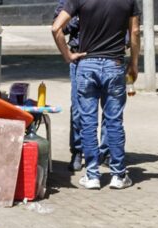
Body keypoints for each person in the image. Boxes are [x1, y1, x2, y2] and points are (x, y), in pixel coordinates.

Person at [53, 0, 141, 189]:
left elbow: (56, 28)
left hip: (87, 64)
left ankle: (92, 175)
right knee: (114, 121)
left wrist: (67, 55)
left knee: (87, 122)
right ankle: (118, 175)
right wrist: (134, 63)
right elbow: (134, 32)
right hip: (115, 64)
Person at [54, 0, 109, 172]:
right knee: (79, 108)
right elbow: (58, 26)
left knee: (109, 109)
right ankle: (78, 150)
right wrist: (79, 19)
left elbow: (128, 26)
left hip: (108, 57)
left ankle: (106, 152)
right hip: (81, 58)